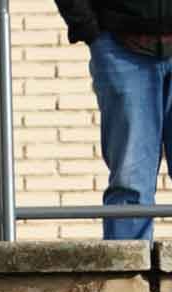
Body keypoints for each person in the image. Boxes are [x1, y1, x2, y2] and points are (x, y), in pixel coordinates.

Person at [53, 0, 172, 240]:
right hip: (120, 44)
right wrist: (87, 27)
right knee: (131, 182)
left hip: (118, 42)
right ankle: (127, 275)